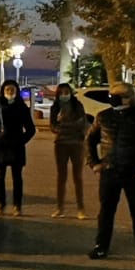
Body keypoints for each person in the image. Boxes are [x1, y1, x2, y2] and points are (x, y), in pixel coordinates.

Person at [87, 83, 135, 261]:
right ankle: (101, 246)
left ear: (129, 97)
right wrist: (94, 163)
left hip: (134, 172)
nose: (113, 98)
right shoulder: (103, 116)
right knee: (106, 212)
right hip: (110, 171)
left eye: (118, 95)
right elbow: (89, 140)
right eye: (113, 94)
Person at [0, 81, 35, 217]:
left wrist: (22, 140)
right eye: (7, 89)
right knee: (0, 177)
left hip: (16, 145)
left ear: (17, 91)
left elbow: (30, 129)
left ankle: (17, 205)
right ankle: (1, 204)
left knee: (17, 177)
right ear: (3, 90)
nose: (10, 91)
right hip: (0, 145)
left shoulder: (22, 107)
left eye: (12, 89)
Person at [49, 83, 89, 219]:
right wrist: (67, 126)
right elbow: (53, 126)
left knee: (77, 176)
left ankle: (81, 208)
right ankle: (60, 207)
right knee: (61, 177)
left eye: (67, 92)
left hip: (76, 143)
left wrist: (64, 125)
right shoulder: (55, 107)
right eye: (62, 92)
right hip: (61, 144)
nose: (64, 95)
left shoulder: (77, 106)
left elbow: (82, 123)